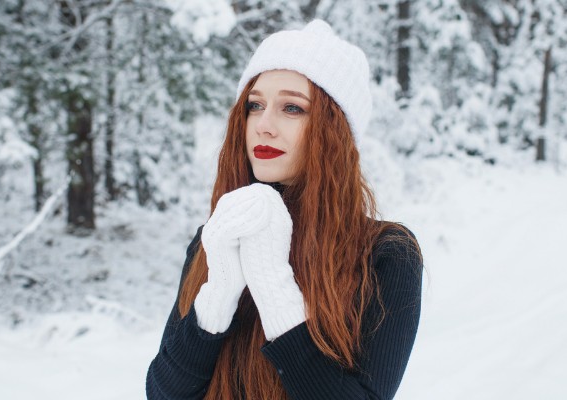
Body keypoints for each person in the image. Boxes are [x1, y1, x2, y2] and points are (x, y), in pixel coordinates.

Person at [146, 19, 423, 400]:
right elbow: (164, 394)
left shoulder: (386, 253)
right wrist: (219, 293)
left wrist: (274, 286)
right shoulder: (216, 236)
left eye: (292, 108)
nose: (263, 125)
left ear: (335, 129)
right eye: (254, 105)